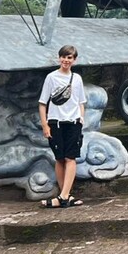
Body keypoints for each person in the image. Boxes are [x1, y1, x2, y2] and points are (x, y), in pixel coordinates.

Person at [38, 44, 87, 208]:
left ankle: (64, 196)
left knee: (70, 157)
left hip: (73, 122)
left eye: (69, 57)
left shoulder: (77, 79)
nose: (66, 60)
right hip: (55, 122)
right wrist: (45, 125)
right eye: (64, 57)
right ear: (59, 58)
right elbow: (42, 103)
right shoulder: (51, 77)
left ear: (74, 60)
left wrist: (81, 118)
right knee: (59, 158)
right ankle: (65, 196)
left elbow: (81, 102)